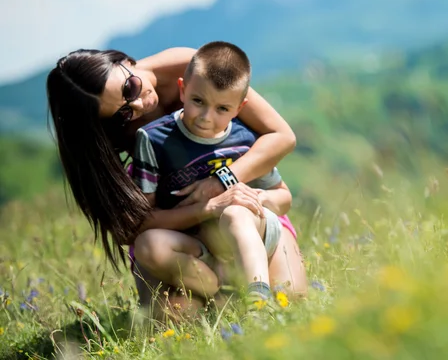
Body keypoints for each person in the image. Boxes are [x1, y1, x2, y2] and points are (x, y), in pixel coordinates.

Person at [46, 46, 307, 318]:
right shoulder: (115, 132)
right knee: (178, 319)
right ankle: (219, 292)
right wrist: (206, 207)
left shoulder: (191, 66)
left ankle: (239, 285)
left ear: (126, 61)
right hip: (174, 234)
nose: (138, 106)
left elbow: (282, 136)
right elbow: (131, 227)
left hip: (241, 210)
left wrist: (222, 181)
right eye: (122, 113)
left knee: (290, 299)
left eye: (130, 88)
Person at [131, 41, 292, 306]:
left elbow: (284, 198)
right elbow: (144, 220)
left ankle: (257, 300)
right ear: (182, 90)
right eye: (198, 101)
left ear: (240, 109)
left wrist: (251, 198)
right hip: (195, 247)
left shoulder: (245, 138)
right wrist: (210, 207)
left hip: (246, 234)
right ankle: (218, 295)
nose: (206, 117)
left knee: (236, 212)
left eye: (222, 109)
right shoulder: (153, 140)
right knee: (148, 244)